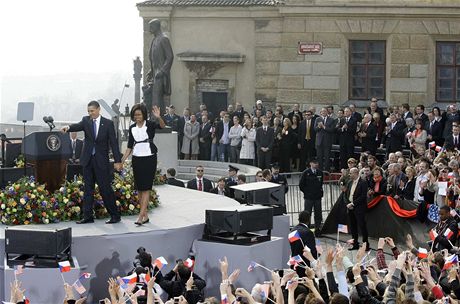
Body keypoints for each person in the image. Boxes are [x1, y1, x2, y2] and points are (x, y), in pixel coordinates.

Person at [61, 100, 122, 224]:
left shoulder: (108, 124)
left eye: (92, 111)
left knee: (105, 189)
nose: (90, 113)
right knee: (88, 189)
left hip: (101, 162)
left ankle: (115, 215)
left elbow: (114, 144)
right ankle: (88, 216)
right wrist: (68, 128)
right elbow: (77, 126)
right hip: (88, 161)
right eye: (88, 111)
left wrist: (117, 161)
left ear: (99, 110)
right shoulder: (86, 120)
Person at [121, 104, 165, 225]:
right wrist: (122, 161)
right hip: (137, 158)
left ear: (144, 114)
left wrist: (158, 117)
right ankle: (145, 215)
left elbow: (162, 126)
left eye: (139, 114)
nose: (137, 117)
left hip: (149, 157)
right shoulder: (132, 128)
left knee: (146, 188)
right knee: (139, 189)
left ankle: (140, 216)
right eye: (135, 115)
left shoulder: (150, 124)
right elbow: (129, 147)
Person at [147, 18, 173, 114]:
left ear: (156, 27)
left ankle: (157, 120)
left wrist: (162, 71)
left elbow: (170, 57)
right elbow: (154, 59)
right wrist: (151, 71)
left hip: (161, 75)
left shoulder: (164, 39)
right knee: (154, 97)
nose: (149, 29)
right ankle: (156, 118)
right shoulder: (154, 40)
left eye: (151, 27)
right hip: (155, 73)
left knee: (157, 98)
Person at [346, 167, 369, 251]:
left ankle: (365, 244)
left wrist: (353, 203)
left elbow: (363, 196)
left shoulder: (363, 183)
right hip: (350, 208)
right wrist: (348, 203)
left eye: (351, 173)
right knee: (353, 226)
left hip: (359, 208)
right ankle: (355, 243)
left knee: (362, 226)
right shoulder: (349, 182)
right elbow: (346, 194)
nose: (349, 174)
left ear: (356, 173)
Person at [289, 210, 317, 276]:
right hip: (306, 265)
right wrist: (315, 262)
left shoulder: (292, 230)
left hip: (295, 262)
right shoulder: (308, 232)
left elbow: (294, 248)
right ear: (309, 220)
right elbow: (311, 250)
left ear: (299, 219)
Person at [299, 159, 324, 231]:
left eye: (317, 163)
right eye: (314, 163)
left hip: (317, 197)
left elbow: (321, 183)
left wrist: (320, 193)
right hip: (308, 197)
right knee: (307, 214)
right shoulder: (306, 172)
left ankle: (318, 228)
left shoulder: (320, 172)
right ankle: (307, 229)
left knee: (318, 213)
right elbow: (301, 185)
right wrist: (306, 192)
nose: (316, 164)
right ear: (310, 163)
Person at [314, 108, 336, 172]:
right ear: (320, 112)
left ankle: (326, 171)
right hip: (319, 142)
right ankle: (319, 171)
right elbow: (315, 129)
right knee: (319, 157)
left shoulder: (331, 120)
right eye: (322, 111)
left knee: (327, 157)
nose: (323, 112)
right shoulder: (317, 119)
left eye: (325, 111)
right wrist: (319, 127)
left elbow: (332, 130)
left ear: (327, 112)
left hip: (327, 142)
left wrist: (323, 126)